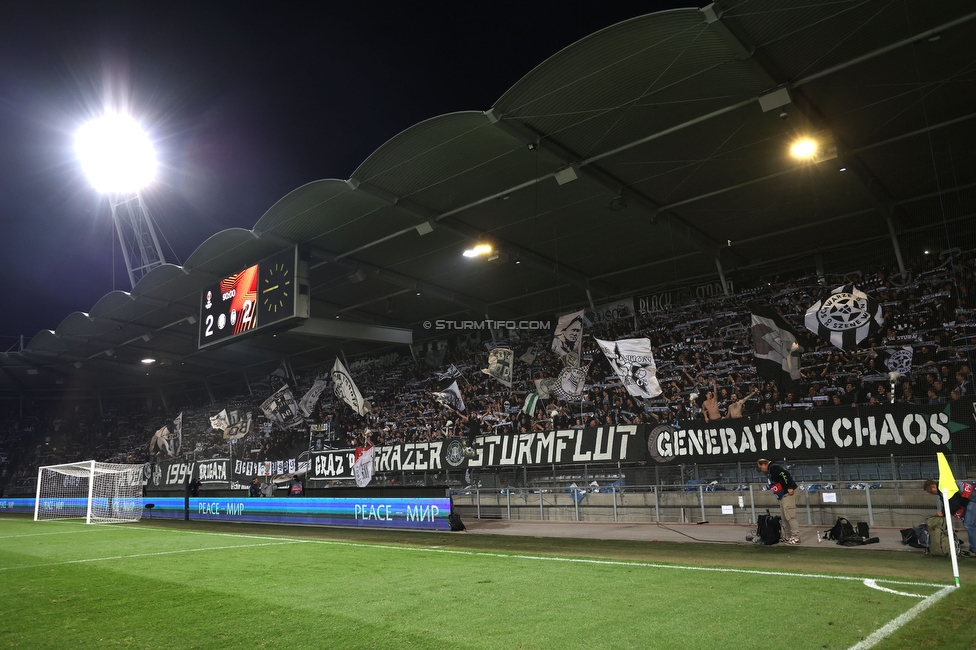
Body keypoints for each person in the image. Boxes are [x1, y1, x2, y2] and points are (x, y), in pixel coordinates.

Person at [923, 478, 976, 553]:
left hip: (972, 499)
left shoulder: (944, 489)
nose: (932, 494)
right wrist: (943, 511)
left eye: (931, 491)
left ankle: (974, 549)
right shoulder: (944, 487)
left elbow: (954, 504)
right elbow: (949, 504)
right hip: (970, 498)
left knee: (969, 525)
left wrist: (943, 513)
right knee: (970, 525)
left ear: (934, 487)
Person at [758, 458, 800, 544]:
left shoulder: (774, 468)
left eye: (761, 467)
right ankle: (788, 536)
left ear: (764, 464)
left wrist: (789, 487)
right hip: (782, 495)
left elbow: (785, 474)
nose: (761, 469)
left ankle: (796, 537)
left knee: (790, 516)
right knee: (784, 516)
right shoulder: (771, 469)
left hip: (788, 493)